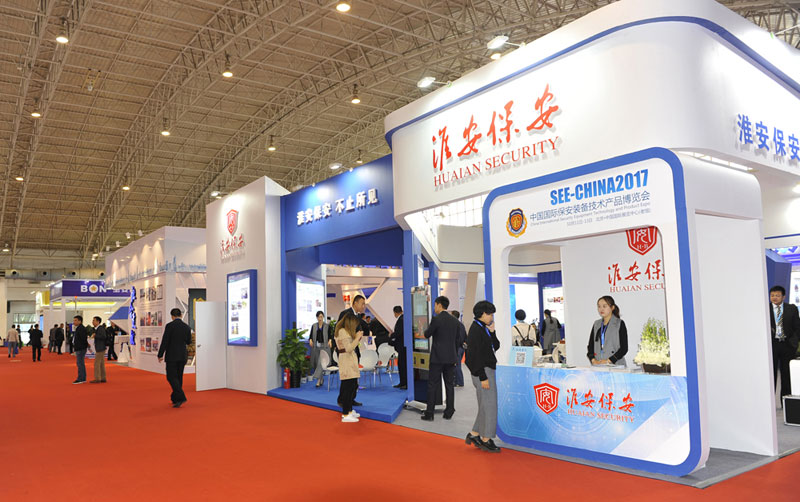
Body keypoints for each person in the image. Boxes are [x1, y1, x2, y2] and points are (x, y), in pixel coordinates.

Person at [465, 300, 501, 453]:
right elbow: (474, 356)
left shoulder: (483, 328)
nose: (491, 317)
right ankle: (486, 438)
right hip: (483, 372)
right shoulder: (475, 330)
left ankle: (474, 434)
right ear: (483, 314)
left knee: (485, 404)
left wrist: (492, 332)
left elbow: (495, 346)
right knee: (489, 405)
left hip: (486, 370)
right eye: (490, 314)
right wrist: (482, 376)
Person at [421, 296, 460, 421]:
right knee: (449, 385)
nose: (434, 307)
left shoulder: (436, 319)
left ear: (438, 305)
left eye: (435, 305)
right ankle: (449, 411)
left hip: (437, 358)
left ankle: (429, 413)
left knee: (432, 384)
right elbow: (458, 340)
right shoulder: (455, 321)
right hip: (451, 358)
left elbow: (427, 334)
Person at [338, 295, 370, 406]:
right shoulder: (345, 314)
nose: (363, 306)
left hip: (355, 350)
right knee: (347, 379)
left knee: (354, 378)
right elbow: (339, 331)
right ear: (355, 303)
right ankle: (342, 400)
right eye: (362, 303)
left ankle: (351, 398)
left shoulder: (359, 317)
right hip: (346, 351)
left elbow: (364, 330)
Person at [769, 286, 800, 399]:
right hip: (771, 345)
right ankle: (769, 401)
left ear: (783, 297)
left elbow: (797, 327)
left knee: (786, 374)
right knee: (770, 373)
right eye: (772, 295)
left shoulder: (792, 309)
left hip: (787, 345)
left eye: (777, 295)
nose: (774, 298)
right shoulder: (765, 309)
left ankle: (785, 401)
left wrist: (794, 342)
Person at [158, 308, 192, 408]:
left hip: (172, 356)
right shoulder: (187, 327)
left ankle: (181, 397)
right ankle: (175, 398)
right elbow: (189, 341)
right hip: (182, 355)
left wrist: (160, 354)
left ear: (172, 316)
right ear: (181, 315)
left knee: (171, 377)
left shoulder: (169, 326)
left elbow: (165, 341)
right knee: (179, 377)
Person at [335, 311, 363, 422]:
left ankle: (349, 411)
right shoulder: (342, 331)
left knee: (352, 386)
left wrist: (356, 338)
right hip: (346, 361)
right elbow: (349, 348)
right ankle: (346, 414)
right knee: (348, 388)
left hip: (349, 360)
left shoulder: (344, 331)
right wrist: (357, 338)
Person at [587, 296, 628, 366]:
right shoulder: (596, 324)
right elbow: (590, 346)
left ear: (612, 307)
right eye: (599, 306)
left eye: (604, 306)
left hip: (616, 365)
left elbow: (624, 348)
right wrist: (593, 360)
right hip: (598, 365)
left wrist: (609, 360)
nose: (601, 309)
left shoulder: (619, 323)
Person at [308, 311, 331, 388]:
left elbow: (330, 335)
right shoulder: (314, 326)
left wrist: (330, 341)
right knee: (316, 363)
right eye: (318, 317)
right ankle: (321, 379)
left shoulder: (327, 326)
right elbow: (311, 335)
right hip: (316, 346)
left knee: (320, 363)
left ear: (323, 317)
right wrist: (310, 340)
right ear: (317, 317)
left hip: (324, 347)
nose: (320, 318)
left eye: (321, 317)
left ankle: (318, 380)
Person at [389, 306, 407, 389]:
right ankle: (402, 382)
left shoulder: (401, 320)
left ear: (395, 313)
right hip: (403, 346)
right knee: (401, 364)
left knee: (402, 365)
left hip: (402, 346)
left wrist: (391, 335)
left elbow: (399, 332)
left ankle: (404, 383)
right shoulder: (403, 319)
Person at [450, 310, 467, 387]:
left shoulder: (455, 325)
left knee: (456, 366)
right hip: (461, 348)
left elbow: (458, 338)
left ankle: (459, 382)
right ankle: (458, 381)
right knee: (457, 365)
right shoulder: (461, 325)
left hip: (457, 348)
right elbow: (465, 336)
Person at [90, 317, 108, 383]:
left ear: (98, 322)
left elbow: (103, 337)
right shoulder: (98, 329)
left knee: (97, 364)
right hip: (100, 347)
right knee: (101, 364)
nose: (92, 322)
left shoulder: (100, 328)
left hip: (100, 348)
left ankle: (97, 378)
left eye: (94, 320)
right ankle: (103, 377)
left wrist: (95, 336)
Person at [72, 316, 88, 384]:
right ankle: (82, 378)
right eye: (74, 320)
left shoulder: (81, 328)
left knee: (80, 363)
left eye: (75, 320)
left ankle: (81, 378)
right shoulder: (79, 328)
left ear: (80, 321)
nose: (74, 322)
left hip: (80, 348)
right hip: (79, 348)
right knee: (80, 363)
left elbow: (83, 339)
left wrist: (81, 347)